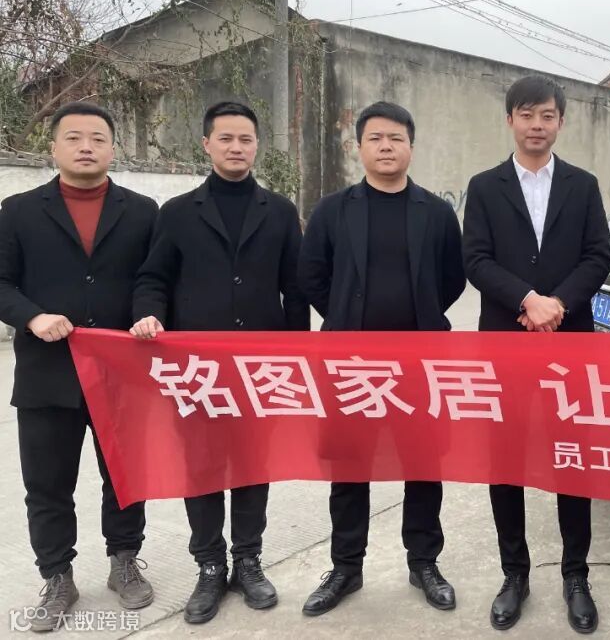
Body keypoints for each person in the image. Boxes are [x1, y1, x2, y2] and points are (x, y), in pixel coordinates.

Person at [130, 101, 309, 624]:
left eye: (245, 139)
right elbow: (153, 278)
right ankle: (209, 565)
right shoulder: (178, 212)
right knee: (202, 467)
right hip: (196, 366)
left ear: (257, 147)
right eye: (226, 138)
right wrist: (147, 315)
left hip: (259, 364)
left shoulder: (279, 211)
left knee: (253, 465)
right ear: (206, 144)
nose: (236, 147)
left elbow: (295, 289)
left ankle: (248, 560)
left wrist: (297, 353)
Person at [297, 101, 465, 617]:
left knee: (423, 463)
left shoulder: (436, 212)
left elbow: (452, 278)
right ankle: (346, 567)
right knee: (350, 466)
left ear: (411, 146)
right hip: (351, 364)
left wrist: (421, 316)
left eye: (396, 138)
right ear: (359, 147)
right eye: (375, 138)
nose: (386, 147)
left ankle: (424, 562)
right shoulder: (333, 210)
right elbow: (311, 276)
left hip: (420, 362)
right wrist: (345, 317)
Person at [0, 102, 159, 632]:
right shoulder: (18, 211)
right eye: (73, 137)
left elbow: (152, 278)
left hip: (123, 371)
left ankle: (124, 560)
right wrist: (32, 317)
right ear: (54, 148)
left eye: (97, 138)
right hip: (48, 373)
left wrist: (147, 314)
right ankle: (57, 576)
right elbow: (2, 282)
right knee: (47, 484)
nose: (86, 146)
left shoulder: (142, 212)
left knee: (125, 475)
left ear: (113, 148)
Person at [463, 74, 610, 633]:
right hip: (506, 342)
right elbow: (476, 259)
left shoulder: (582, 185)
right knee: (507, 460)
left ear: (560, 121)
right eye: (526, 115)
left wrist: (557, 304)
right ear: (510, 120)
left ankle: (576, 575)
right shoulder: (485, 186)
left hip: (569, 344)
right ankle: (514, 574)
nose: (536, 125)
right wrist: (527, 300)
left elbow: (597, 256)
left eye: (547, 115)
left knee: (572, 458)